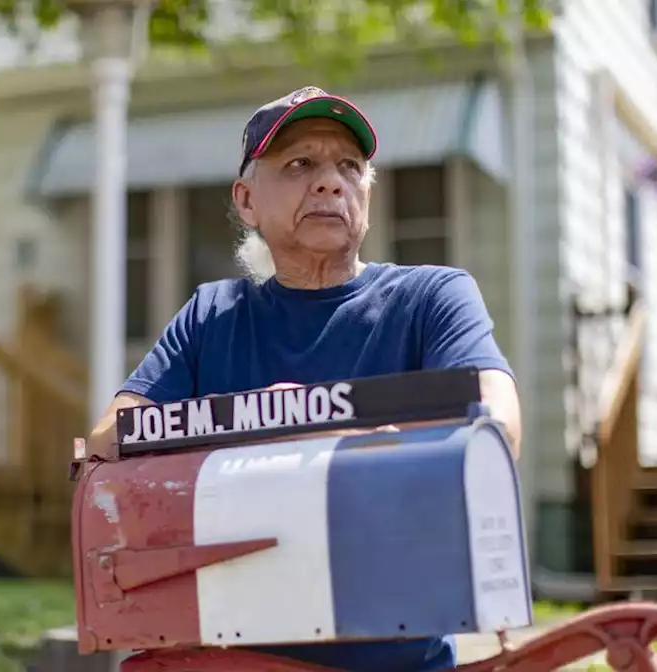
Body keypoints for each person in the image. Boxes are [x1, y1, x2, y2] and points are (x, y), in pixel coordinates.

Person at [86, 85, 523, 672]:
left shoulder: (433, 297)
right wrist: (267, 428)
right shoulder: (210, 315)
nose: (329, 182)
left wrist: (313, 430)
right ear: (246, 200)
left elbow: (495, 425)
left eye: (349, 166)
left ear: (368, 191)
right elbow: (108, 441)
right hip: (228, 658)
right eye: (299, 164)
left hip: (396, 657)